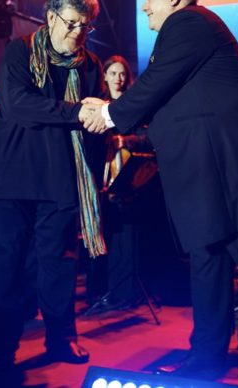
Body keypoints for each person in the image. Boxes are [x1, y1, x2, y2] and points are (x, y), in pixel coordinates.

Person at [81, 0, 238, 387]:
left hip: (231, 177)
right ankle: (206, 358)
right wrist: (118, 116)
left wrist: (110, 114)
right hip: (207, 177)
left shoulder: (189, 23)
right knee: (207, 264)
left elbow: (156, 84)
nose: (144, 7)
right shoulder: (189, 30)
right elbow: (173, 105)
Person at [0, 0, 104, 381]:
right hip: (10, 178)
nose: (78, 33)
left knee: (59, 265)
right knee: (4, 268)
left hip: (60, 179)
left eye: (86, 26)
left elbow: (94, 125)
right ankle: (1, 351)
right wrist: (76, 111)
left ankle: (61, 338)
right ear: (50, 17)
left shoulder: (90, 65)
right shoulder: (19, 52)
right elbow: (18, 105)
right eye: (72, 24)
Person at [87, 55, 155, 312]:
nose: (118, 78)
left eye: (122, 73)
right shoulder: (96, 103)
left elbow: (148, 136)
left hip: (127, 181)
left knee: (125, 237)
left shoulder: (133, 105)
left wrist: (127, 141)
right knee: (100, 236)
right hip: (99, 177)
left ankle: (123, 292)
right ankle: (98, 292)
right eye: (113, 73)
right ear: (104, 75)